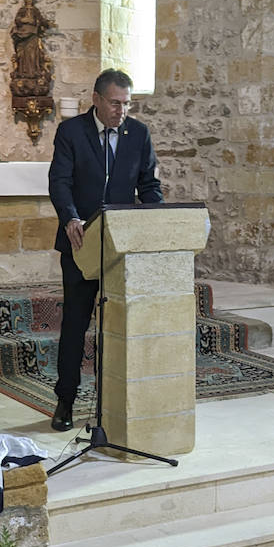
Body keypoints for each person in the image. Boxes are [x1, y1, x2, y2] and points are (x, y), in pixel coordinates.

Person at [46, 68, 163, 431]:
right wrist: (70, 218)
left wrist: (157, 222)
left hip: (121, 249)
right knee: (76, 325)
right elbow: (59, 181)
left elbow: (149, 185)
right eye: (115, 103)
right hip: (81, 244)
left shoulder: (138, 134)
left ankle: (118, 401)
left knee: (120, 325)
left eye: (127, 104)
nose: (121, 111)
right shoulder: (71, 132)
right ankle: (65, 400)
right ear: (95, 99)